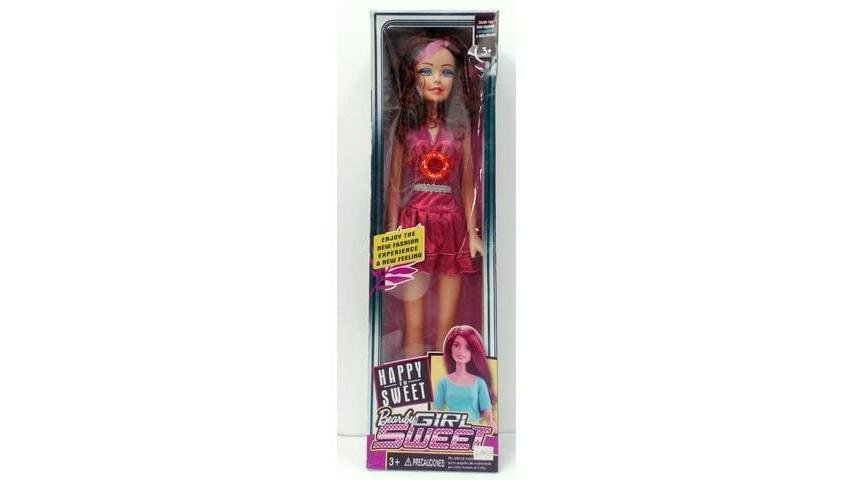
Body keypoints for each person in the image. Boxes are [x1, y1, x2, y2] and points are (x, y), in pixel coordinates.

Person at [385, 36, 484, 358]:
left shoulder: (459, 130)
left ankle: (442, 380)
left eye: (447, 71)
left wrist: (472, 233)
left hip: (451, 226)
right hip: (412, 224)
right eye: (426, 71)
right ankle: (413, 380)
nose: (437, 79)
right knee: (413, 323)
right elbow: (394, 183)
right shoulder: (405, 130)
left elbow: (468, 184)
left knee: (447, 327)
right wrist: (391, 229)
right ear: (413, 77)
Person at [433, 325, 496, 429]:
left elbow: (488, 417)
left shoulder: (479, 383)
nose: (461, 351)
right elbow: (436, 413)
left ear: (473, 352)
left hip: (474, 431)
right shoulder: (443, 382)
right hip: (451, 431)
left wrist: (494, 433)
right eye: (456, 345)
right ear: (450, 348)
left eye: (468, 348)